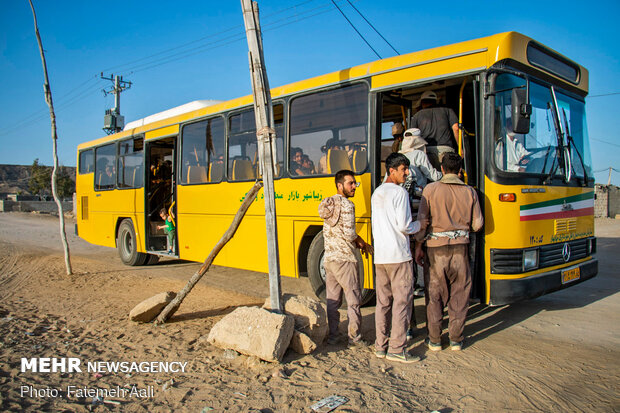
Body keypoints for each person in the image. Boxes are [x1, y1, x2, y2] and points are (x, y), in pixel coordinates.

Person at [414, 153, 483, 351]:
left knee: (434, 295)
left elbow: (423, 222)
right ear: (460, 170)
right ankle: (456, 339)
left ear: (442, 169)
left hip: (435, 251)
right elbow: (478, 224)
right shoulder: (470, 192)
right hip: (461, 250)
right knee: (460, 295)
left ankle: (434, 340)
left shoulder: (430, 189)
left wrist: (419, 244)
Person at [371, 153, 428, 363]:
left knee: (383, 303)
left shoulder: (376, 193)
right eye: (403, 169)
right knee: (402, 302)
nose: (407, 173)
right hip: (398, 256)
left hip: (381, 257)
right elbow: (405, 226)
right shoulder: (400, 193)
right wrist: (421, 224)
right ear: (391, 170)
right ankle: (397, 349)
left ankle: (381, 345)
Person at [318, 170, 373, 346]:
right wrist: (362, 243)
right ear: (339, 185)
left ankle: (334, 336)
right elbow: (349, 234)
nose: (355, 187)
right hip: (345, 259)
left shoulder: (328, 203)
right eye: (351, 183)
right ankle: (354, 338)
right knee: (354, 299)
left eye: (355, 183)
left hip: (329, 259)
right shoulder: (348, 205)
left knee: (333, 300)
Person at [399, 127, 442, 337]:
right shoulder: (418, 155)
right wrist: (449, 175)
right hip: (419, 209)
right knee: (422, 248)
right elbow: (433, 175)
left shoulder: (399, 158)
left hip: (404, 214)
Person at [410, 90, 459, 168]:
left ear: (422, 103)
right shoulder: (447, 110)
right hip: (446, 151)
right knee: (448, 178)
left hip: (426, 153)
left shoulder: (416, 116)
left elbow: (411, 137)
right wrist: (461, 148)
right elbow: (456, 128)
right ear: (435, 101)